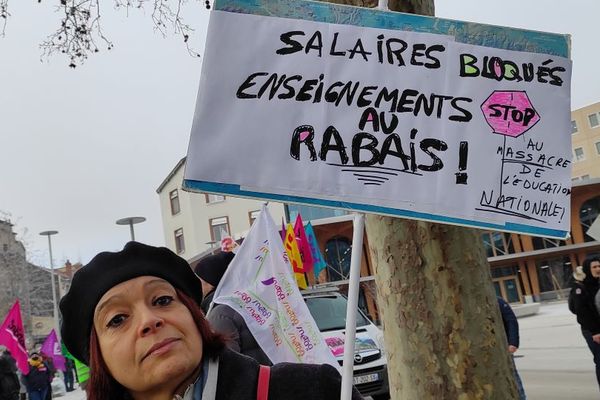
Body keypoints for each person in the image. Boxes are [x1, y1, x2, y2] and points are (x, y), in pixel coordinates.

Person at [59, 241, 362, 400]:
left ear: (195, 315)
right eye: (117, 319)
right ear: (97, 357)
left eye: (163, 300)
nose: (149, 320)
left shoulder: (313, 390)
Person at [194, 252, 272, 366]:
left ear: (212, 282)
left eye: (199, 281)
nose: (196, 286)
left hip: (249, 382)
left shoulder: (220, 314)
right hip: (270, 377)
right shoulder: (254, 303)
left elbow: (226, 365)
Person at [569, 256, 600, 390]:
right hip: (592, 331)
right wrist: (595, 331)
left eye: (599, 266)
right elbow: (581, 312)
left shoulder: (598, 284)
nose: (598, 269)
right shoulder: (580, 287)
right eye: (594, 267)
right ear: (588, 269)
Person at [497, 297, 526, 400]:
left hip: (503, 348)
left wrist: (513, 343)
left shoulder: (497, 302)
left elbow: (511, 321)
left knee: (512, 375)